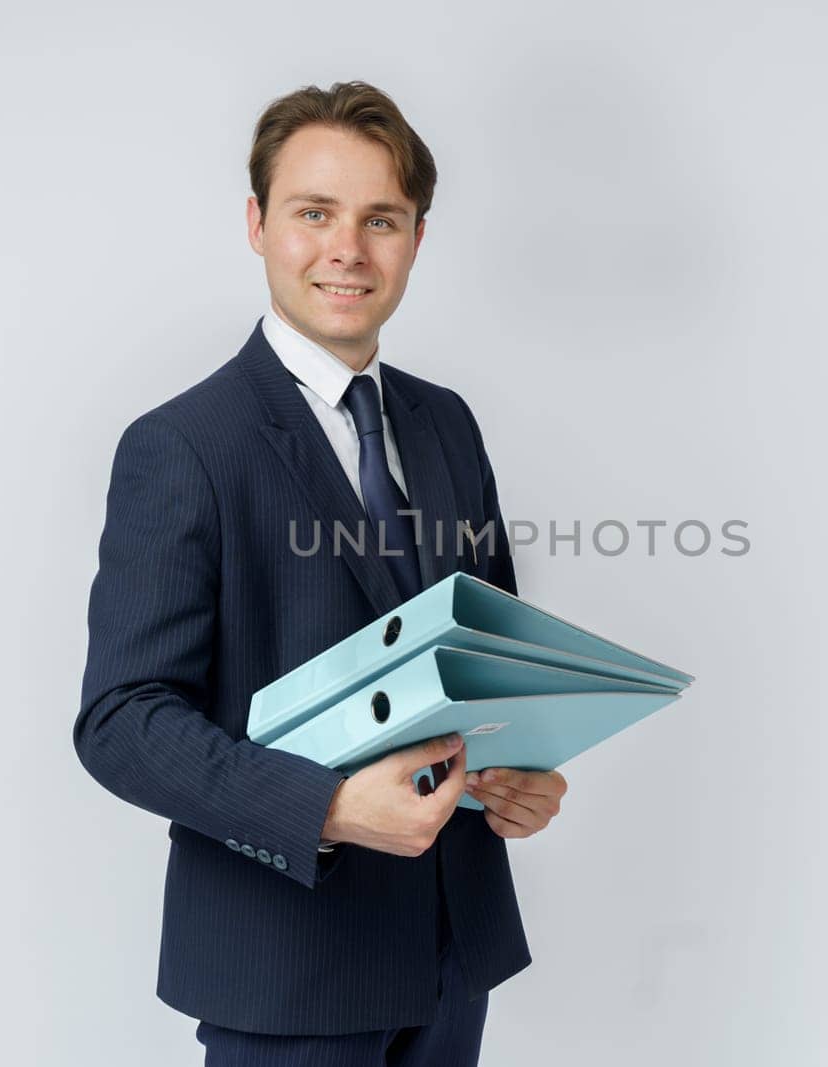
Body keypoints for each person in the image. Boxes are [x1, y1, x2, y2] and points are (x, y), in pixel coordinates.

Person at [74, 81, 567, 1066]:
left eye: (380, 219)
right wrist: (331, 808)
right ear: (258, 224)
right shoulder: (182, 446)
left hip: (450, 948)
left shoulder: (447, 424)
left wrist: (523, 769)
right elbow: (122, 718)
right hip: (286, 964)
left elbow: (489, 653)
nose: (348, 249)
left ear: (417, 239)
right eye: (314, 213)